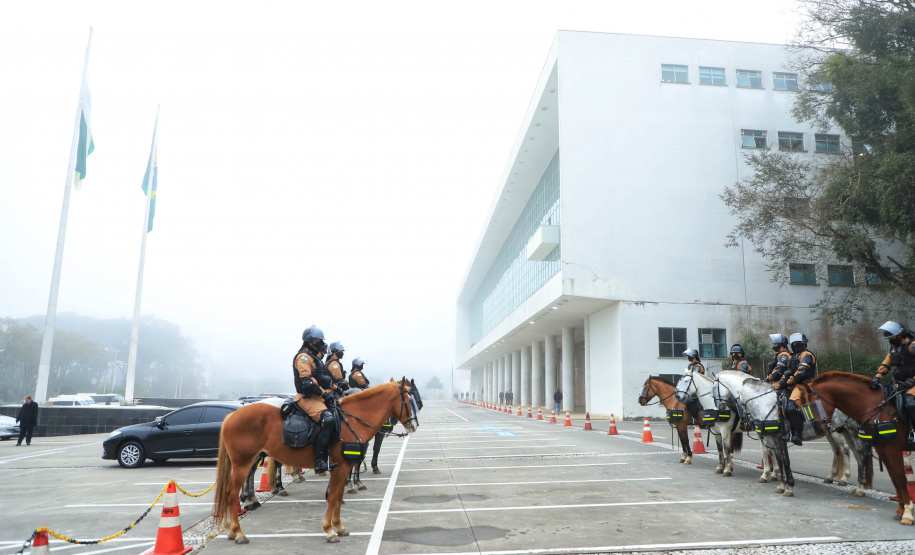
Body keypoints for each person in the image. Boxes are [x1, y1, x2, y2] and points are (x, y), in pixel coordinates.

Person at [292, 325, 337, 474]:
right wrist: (324, 394)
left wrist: (332, 388)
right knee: (328, 420)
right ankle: (319, 462)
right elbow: (307, 382)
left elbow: (319, 378)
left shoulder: (314, 358)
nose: (321, 343)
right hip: (307, 398)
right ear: (311, 341)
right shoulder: (303, 357)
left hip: (317, 397)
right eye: (319, 340)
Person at [870, 322, 915, 428]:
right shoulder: (895, 349)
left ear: (900, 335)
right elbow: (886, 364)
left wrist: (912, 381)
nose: (890, 341)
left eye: (892, 338)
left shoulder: (912, 346)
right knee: (887, 399)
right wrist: (877, 378)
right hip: (901, 383)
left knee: (910, 402)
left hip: (912, 382)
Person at [779, 333, 817, 446]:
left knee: (791, 407)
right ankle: (786, 430)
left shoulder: (806, 355)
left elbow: (802, 372)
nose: (796, 345)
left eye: (799, 343)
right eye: (794, 343)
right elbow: (789, 370)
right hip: (796, 384)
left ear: (804, 343)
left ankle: (797, 435)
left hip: (805, 384)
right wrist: (783, 378)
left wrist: (788, 382)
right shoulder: (795, 356)